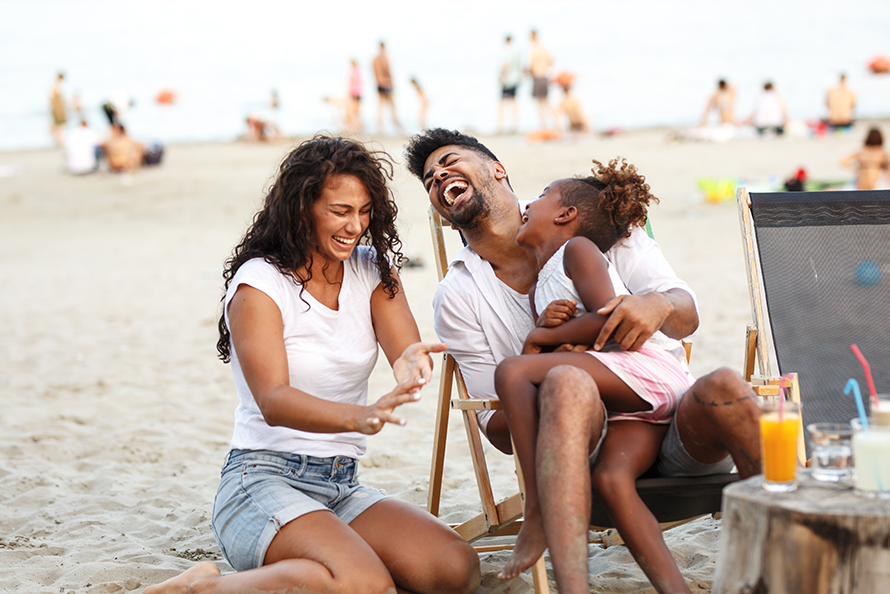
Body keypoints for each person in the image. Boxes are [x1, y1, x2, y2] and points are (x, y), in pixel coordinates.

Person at [404, 128, 761, 594]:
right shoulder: (458, 296)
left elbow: (681, 316)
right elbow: (493, 426)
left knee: (726, 385)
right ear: (445, 216)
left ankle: (795, 544)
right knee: (568, 384)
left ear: (497, 169)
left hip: (676, 425)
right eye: (429, 179)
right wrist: (550, 366)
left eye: (449, 161)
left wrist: (659, 304)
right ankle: (546, 521)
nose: (439, 176)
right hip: (589, 454)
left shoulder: (589, 226)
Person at [146, 136, 480, 594]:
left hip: (340, 485)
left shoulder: (372, 269)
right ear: (303, 207)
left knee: (453, 570)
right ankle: (204, 587)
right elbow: (273, 401)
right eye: (340, 211)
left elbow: (404, 349)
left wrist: (409, 364)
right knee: (366, 584)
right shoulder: (260, 284)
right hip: (260, 482)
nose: (355, 225)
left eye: (364, 211)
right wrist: (358, 416)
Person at [496, 161, 698, 593]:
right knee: (613, 482)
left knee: (512, 371)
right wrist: (548, 338)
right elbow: (570, 347)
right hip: (634, 407)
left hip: (648, 370)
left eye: (542, 194)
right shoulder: (541, 283)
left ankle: (536, 512)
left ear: (566, 216)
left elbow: (611, 324)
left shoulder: (578, 251)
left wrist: (541, 337)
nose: (527, 204)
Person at [528, 30, 557, 130]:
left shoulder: (533, 49)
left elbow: (531, 65)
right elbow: (551, 61)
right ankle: (556, 123)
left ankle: (544, 125)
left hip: (537, 76)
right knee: (547, 102)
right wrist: (545, 68)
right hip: (544, 76)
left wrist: (530, 72)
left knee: (539, 103)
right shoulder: (544, 48)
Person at [373, 41, 403, 135]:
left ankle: (380, 128)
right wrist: (391, 84)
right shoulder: (385, 58)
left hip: (379, 83)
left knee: (380, 106)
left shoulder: (375, 59)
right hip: (386, 83)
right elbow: (388, 71)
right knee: (392, 107)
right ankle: (397, 127)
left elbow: (375, 73)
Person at [497, 35, 522, 134]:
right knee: (513, 102)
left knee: (502, 103)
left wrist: (501, 76)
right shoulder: (517, 51)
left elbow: (505, 65)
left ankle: (501, 126)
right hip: (515, 79)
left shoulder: (507, 51)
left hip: (507, 80)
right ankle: (515, 125)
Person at [50, 72, 67, 147]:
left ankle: (59, 141)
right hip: (58, 108)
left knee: (58, 125)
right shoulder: (56, 86)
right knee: (58, 125)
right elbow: (53, 98)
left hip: (58, 107)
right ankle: (58, 141)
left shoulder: (56, 85)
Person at [346, 59, 363, 134]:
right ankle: (357, 127)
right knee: (356, 112)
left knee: (352, 111)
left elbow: (352, 83)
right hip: (358, 93)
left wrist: (350, 92)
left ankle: (355, 127)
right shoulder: (359, 71)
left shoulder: (354, 71)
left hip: (354, 93)